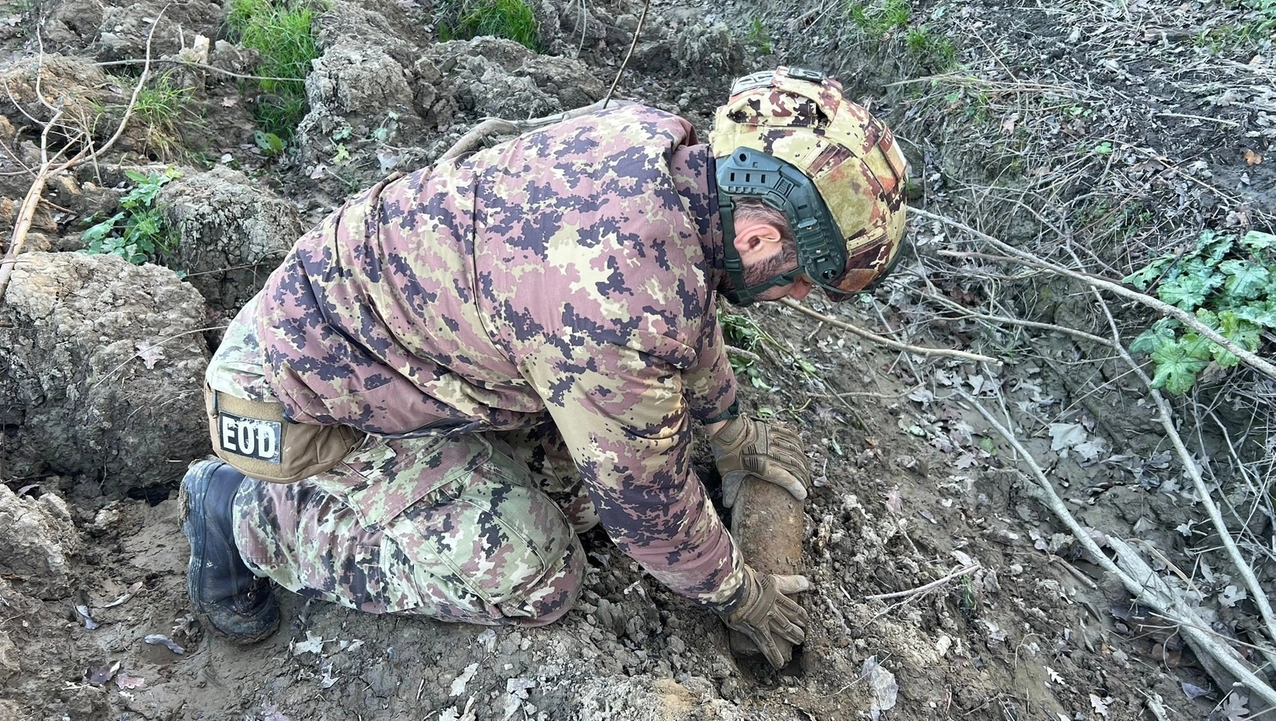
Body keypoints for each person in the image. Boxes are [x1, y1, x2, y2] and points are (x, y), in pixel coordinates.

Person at [180, 66, 908, 670]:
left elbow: (687, 313)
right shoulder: (617, 304)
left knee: (573, 496)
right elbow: (650, 515)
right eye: (804, 277)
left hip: (395, 336)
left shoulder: (661, 150)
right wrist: (740, 593)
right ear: (757, 235)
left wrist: (731, 432)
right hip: (300, 396)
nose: (800, 294)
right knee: (540, 577)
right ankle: (242, 514)